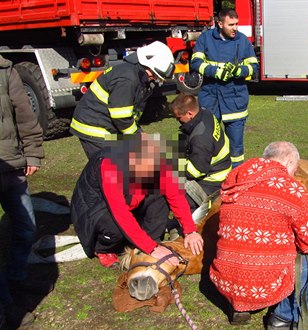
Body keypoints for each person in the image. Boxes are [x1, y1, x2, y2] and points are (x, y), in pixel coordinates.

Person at [210, 141, 308, 330]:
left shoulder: (235, 182)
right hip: (260, 286)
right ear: (289, 163)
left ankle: (238, 307)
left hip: (225, 282)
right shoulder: (290, 189)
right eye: (295, 169)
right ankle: (285, 316)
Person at [70, 134, 203, 269]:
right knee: (114, 227)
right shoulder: (110, 166)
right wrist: (151, 248)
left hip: (130, 199)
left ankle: (150, 238)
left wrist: (190, 230)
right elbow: (120, 213)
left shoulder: (157, 160)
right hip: (94, 208)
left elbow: (175, 194)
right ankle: (103, 249)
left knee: (159, 196)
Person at [0, 54, 45, 330]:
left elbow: (24, 115)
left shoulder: (5, 70)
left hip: (11, 168)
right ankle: (6, 310)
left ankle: (17, 276)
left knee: (27, 228)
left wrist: (32, 154)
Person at [70, 41, 175, 157]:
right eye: (154, 74)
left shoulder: (136, 75)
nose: (153, 78)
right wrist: (138, 136)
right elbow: (121, 116)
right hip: (94, 127)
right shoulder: (127, 79)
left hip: (107, 124)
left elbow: (130, 111)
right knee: (108, 169)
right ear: (145, 63)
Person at [190, 9, 259, 168]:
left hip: (235, 99)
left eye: (236, 24)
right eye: (231, 25)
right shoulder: (206, 39)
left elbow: (254, 67)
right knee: (207, 141)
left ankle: (235, 178)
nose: (235, 28)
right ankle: (209, 176)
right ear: (220, 24)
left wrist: (238, 71)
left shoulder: (242, 41)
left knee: (236, 148)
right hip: (211, 98)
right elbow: (195, 63)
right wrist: (215, 72)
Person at [169, 93, 232, 211]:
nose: (178, 121)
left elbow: (196, 171)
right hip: (220, 168)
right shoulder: (206, 114)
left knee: (172, 194)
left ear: (189, 114)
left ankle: (191, 220)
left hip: (211, 182)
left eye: (179, 117)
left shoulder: (201, 138)